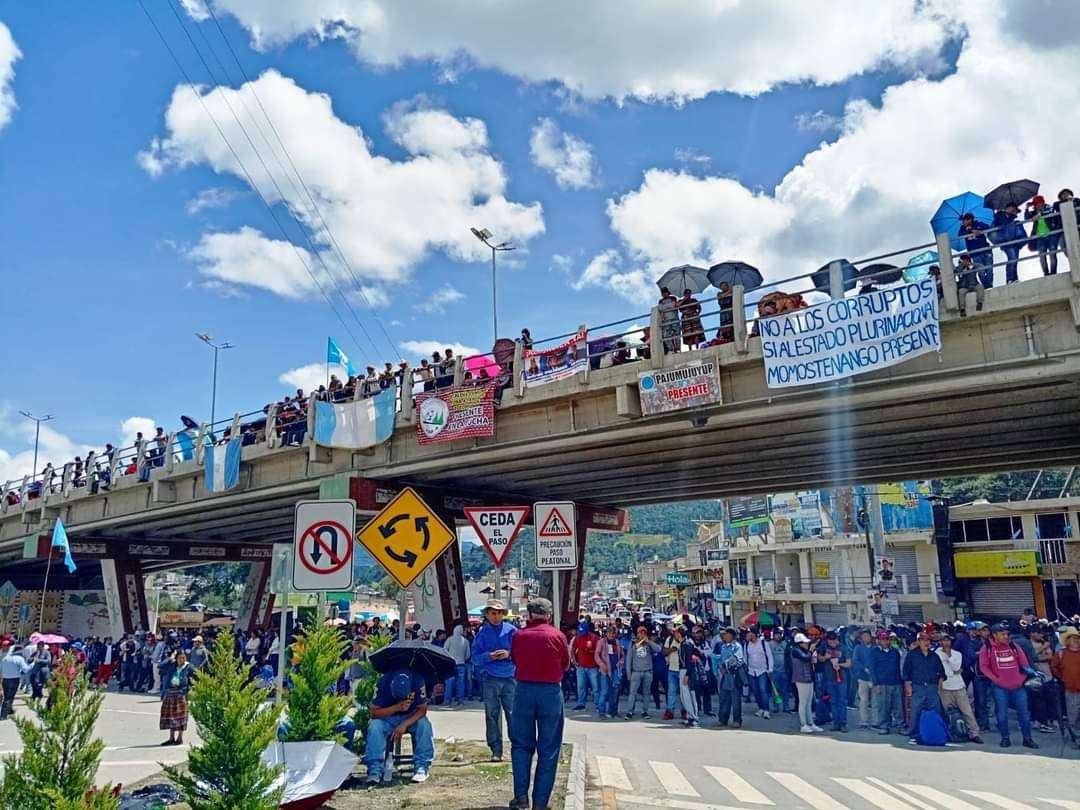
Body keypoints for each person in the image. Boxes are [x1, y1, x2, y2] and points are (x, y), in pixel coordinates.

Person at [508, 598, 570, 810]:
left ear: (529, 615)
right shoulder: (557, 636)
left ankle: (521, 796)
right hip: (551, 692)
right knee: (549, 748)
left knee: (521, 746)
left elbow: (514, 659)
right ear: (549, 615)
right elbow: (565, 663)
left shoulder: (519, 635)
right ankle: (541, 803)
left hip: (524, 690)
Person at [364, 669, 434, 785]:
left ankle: (422, 767)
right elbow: (374, 713)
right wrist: (397, 707)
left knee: (424, 725)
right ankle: (374, 770)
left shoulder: (417, 680)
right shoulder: (383, 682)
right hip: (388, 718)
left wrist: (404, 724)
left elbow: (422, 710)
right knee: (375, 726)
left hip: (411, 717)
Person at [979, 622, 1039, 749]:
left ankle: (1027, 739)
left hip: (1018, 687)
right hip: (999, 688)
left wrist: (1021, 679)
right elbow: (983, 667)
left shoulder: (1014, 646)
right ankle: (1005, 738)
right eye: (1002, 634)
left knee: (1024, 714)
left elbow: (1025, 665)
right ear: (994, 635)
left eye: (1007, 634)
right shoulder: (987, 648)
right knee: (1001, 714)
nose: (1006, 636)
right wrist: (996, 680)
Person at [471, 600, 516, 762]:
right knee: (492, 715)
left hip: (510, 677)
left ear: (503, 614)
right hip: (490, 677)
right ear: (487, 615)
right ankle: (496, 749)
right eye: (492, 613)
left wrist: (508, 654)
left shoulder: (512, 631)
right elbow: (475, 658)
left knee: (513, 714)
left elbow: (521, 653)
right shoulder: (482, 633)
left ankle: (517, 747)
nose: (496, 617)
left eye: (498, 613)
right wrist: (489, 656)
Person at [936, 633, 983, 743]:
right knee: (947, 712)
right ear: (940, 642)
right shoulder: (936, 654)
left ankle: (974, 733)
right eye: (943, 640)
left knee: (967, 711)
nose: (946, 643)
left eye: (948, 640)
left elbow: (956, 667)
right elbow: (942, 671)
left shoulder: (957, 654)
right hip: (945, 687)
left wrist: (948, 656)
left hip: (959, 686)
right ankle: (951, 733)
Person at [902, 632, 945, 742]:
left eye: (928, 640)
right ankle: (913, 731)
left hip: (932, 687)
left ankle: (935, 730)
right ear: (918, 642)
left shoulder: (934, 656)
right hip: (918, 686)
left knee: (935, 710)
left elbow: (941, 673)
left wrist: (939, 687)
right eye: (923, 640)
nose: (926, 642)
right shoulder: (912, 655)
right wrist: (908, 686)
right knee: (915, 710)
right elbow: (906, 672)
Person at [1050, 625, 1080, 748]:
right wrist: (1064, 678)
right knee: (1073, 717)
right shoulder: (1060, 654)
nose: (1076, 641)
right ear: (1067, 640)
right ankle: (1077, 739)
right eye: (1073, 638)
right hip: (1071, 690)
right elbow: (1054, 668)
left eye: (1078, 638)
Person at [870, 631, 903, 734]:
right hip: (882, 683)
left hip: (896, 682)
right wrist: (876, 684)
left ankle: (900, 725)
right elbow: (872, 669)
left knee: (898, 706)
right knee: (883, 706)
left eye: (887, 639)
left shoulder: (895, 652)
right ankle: (884, 726)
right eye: (883, 639)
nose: (885, 641)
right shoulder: (874, 652)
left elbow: (899, 667)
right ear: (879, 640)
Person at [624, 625, 659, 720]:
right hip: (636, 672)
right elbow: (628, 659)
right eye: (640, 632)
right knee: (632, 693)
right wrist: (628, 672)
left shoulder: (649, 643)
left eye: (644, 632)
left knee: (647, 693)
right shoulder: (632, 643)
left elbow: (658, 649)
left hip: (648, 671)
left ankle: (645, 711)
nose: (642, 634)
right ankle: (630, 711)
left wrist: (649, 641)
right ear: (637, 634)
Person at [159, 650, 193, 746]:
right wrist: (171, 657)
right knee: (171, 716)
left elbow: (196, 675)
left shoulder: (188, 667)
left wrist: (189, 688)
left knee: (181, 717)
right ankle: (171, 738)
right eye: (179, 658)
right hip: (171, 692)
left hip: (181, 693)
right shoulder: (172, 665)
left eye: (183, 658)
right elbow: (160, 666)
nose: (181, 660)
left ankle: (180, 738)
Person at [712, 627, 745, 728]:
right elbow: (721, 659)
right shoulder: (723, 647)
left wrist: (727, 665)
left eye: (726, 634)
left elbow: (737, 659)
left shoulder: (737, 646)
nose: (724, 636)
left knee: (735, 701)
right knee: (724, 699)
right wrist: (721, 666)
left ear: (731, 635)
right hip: (725, 676)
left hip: (734, 676)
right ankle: (722, 720)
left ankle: (737, 720)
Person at [821, 631, 851, 732]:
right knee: (833, 702)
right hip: (829, 679)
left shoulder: (843, 648)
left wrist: (840, 665)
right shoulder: (824, 646)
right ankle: (835, 722)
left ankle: (843, 723)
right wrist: (825, 657)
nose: (833, 643)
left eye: (834, 640)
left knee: (842, 701)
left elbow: (849, 663)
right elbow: (818, 658)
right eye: (830, 641)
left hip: (842, 679)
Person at [790, 632, 819, 733]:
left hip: (809, 678)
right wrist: (811, 651)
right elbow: (805, 658)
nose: (807, 644)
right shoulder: (795, 651)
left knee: (809, 702)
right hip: (801, 679)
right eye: (805, 642)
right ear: (799, 643)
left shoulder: (804, 651)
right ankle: (803, 724)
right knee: (803, 703)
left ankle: (810, 723)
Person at [991, 203, 1027, 285]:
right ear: (1007, 208)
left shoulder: (1012, 219)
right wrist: (999, 213)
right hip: (1007, 242)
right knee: (1012, 259)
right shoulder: (1000, 216)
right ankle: (1010, 279)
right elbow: (1000, 223)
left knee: (1014, 260)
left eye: (1015, 210)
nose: (1014, 211)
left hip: (1014, 242)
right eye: (1012, 209)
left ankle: (1014, 278)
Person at [743, 627, 774, 719]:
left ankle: (766, 710)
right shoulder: (747, 644)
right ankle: (760, 708)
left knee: (763, 690)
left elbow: (769, 656)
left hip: (763, 670)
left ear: (753, 634)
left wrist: (770, 669)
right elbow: (745, 657)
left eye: (749, 634)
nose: (747, 635)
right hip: (751, 671)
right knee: (756, 691)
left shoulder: (764, 643)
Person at [958, 212, 994, 288]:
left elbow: (987, 227)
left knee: (989, 270)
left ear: (969, 220)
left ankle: (989, 285)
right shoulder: (963, 228)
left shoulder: (979, 223)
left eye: (964, 220)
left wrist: (977, 230)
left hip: (986, 250)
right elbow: (960, 235)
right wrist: (970, 230)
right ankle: (987, 286)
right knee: (981, 272)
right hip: (975, 254)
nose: (963, 222)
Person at [570, 621, 600, 712]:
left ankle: (598, 704)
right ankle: (581, 704)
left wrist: (591, 652)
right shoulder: (577, 638)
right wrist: (574, 661)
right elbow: (573, 649)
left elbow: (599, 651)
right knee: (581, 686)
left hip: (593, 667)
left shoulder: (594, 638)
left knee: (596, 687)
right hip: (581, 667)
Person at [675, 626, 701, 728]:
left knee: (690, 695)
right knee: (684, 696)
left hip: (687, 671)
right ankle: (690, 716)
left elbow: (690, 661)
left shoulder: (687, 645)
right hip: (682, 670)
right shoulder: (682, 644)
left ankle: (694, 718)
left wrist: (687, 675)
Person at [595, 624, 623, 719]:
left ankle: (613, 712)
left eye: (613, 633)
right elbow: (596, 655)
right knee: (604, 691)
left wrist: (621, 661)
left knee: (615, 692)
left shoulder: (617, 642)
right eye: (609, 632)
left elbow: (622, 655)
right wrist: (602, 664)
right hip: (604, 670)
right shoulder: (601, 642)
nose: (611, 634)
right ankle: (601, 712)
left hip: (615, 671)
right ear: (606, 633)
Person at [1026, 194, 1058, 275]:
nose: (1038, 205)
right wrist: (1026, 208)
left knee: (1052, 254)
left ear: (1043, 203)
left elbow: (1051, 211)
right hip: (1040, 238)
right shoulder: (1034, 212)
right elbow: (1027, 218)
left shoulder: (1049, 207)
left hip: (1051, 235)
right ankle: (1046, 273)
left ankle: (1053, 272)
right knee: (1041, 256)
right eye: (1036, 204)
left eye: (1040, 203)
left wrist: (1040, 214)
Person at [851, 629, 875, 729]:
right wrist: (864, 668)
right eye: (863, 636)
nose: (866, 638)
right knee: (863, 700)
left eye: (867, 636)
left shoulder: (875, 648)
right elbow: (855, 660)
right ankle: (864, 721)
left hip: (874, 678)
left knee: (875, 701)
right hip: (862, 677)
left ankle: (875, 721)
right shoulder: (858, 648)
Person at [443, 625, 471, 707]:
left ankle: (447, 700)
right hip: (461, 664)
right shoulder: (465, 641)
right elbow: (468, 655)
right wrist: (463, 659)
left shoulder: (450, 639)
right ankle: (460, 700)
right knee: (461, 683)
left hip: (451, 664)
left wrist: (449, 658)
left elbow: (444, 650)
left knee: (449, 683)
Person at [0, 643, 29, 720]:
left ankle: (9, 710)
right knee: (9, 697)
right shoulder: (19, 658)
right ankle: (3, 715)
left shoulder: (4, 658)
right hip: (14, 679)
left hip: (5, 679)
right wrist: (33, 663)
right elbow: (26, 669)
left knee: (7, 696)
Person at [662, 627, 683, 720]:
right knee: (671, 692)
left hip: (682, 669)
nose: (676, 634)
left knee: (683, 692)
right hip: (672, 669)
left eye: (678, 632)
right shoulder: (669, 640)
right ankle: (670, 711)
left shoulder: (685, 641)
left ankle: (685, 710)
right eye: (675, 632)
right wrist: (671, 649)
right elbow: (664, 652)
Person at [658, 287, 680, 354]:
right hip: (666, 321)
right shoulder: (660, 301)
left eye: (665, 292)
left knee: (676, 334)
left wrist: (665, 307)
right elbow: (660, 308)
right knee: (666, 335)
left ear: (668, 292)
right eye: (662, 293)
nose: (664, 294)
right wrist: (668, 306)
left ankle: (678, 348)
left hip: (674, 319)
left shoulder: (673, 298)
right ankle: (670, 349)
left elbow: (673, 305)